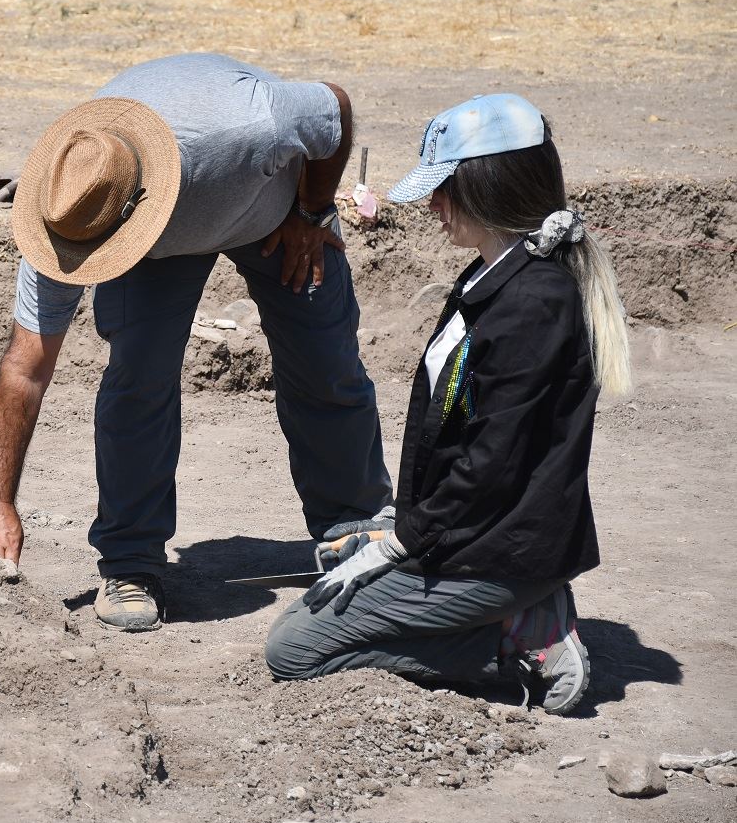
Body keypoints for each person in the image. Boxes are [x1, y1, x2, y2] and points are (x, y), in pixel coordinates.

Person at [0, 53, 394, 632]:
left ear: (142, 203)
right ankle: (131, 563)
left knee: (324, 358)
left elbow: (333, 108)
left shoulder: (245, 129)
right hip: (156, 237)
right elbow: (25, 369)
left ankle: (356, 525)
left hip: (272, 205)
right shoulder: (71, 206)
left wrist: (313, 211)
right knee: (138, 377)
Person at [264, 94, 632, 715]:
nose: (433, 203)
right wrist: (400, 530)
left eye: (445, 187)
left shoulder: (533, 301)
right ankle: (507, 620)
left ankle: (516, 643)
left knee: (295, 650)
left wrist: (400, 543)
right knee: (333, 582)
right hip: (468, 535)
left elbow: (492, 459)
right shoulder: (494, 278)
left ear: (489, 186)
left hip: (497, 553)